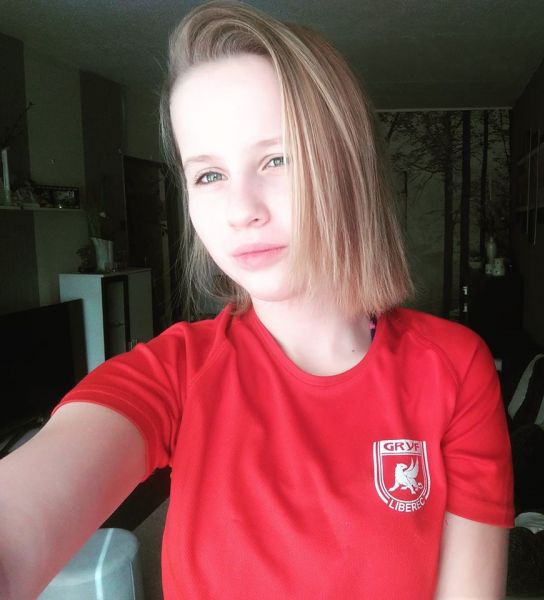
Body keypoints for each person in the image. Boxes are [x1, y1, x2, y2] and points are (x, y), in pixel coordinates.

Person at [0, 2, 514, 599]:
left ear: (345, 166)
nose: (241, 209)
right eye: (208, 175)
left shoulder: (454, 367)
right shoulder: (173, 374)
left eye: (277, 158)